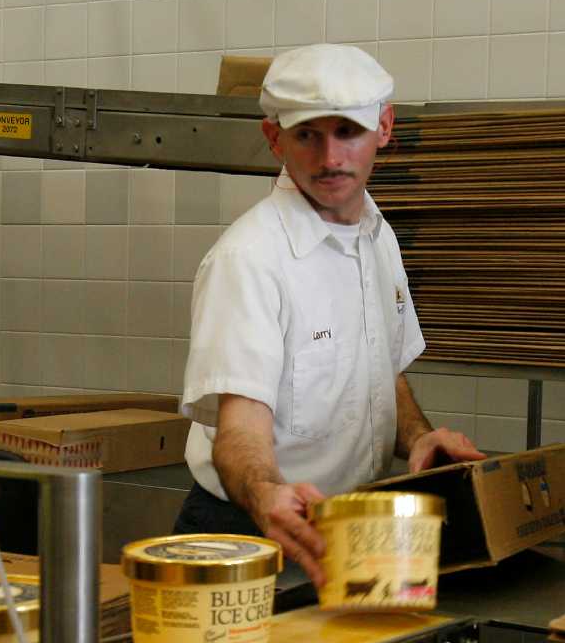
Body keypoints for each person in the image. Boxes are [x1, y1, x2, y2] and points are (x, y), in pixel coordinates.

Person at [175, 43, 482, 587]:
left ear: (384, 128)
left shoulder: (377, 236)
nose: (330, 157)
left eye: (348, 132)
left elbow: (381, 370)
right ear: (275, 139)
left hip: (353, 526)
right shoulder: (249, 260)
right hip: (253, 531)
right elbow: (239, 429)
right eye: (307, 135)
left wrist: (418, 438)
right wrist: (268, 493)